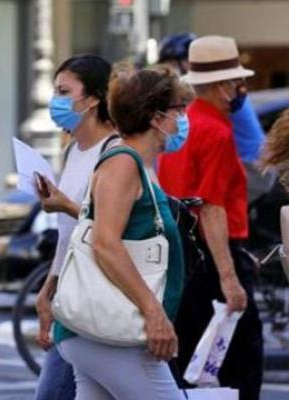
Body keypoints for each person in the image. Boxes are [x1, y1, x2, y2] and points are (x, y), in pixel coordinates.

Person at [53, 64, 189, 399]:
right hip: (115, 330)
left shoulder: (133, 163)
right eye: (179, 110)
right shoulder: (123, 163)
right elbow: (105, 243)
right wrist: (154, 313)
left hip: (97, 331)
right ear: (156, 117)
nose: (183, 120)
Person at [157, 36, 263, 399]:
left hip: (184, 254)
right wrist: (230, 278)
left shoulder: (181, 125)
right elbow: (212, 209)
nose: (241, 89)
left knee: (191, 363)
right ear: (222, 86)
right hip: (214, 254)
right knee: (239, 364)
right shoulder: (216, 131)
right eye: (236, 82)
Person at [32, 54, 117, 400]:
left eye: (64, 91)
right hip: (71, 293)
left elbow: (113, 224)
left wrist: (64, 203)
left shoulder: (114, 150)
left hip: (98, 295)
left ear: (93, 98)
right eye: (55, 91)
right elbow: (68, 233)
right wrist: (49, 286)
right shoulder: (74, 151)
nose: (55, 101)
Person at [158, 33, 265, 163]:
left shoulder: (204, 123)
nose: (239, 88)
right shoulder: (211, 127)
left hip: (249, 165)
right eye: (235, 80)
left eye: (172, 64)